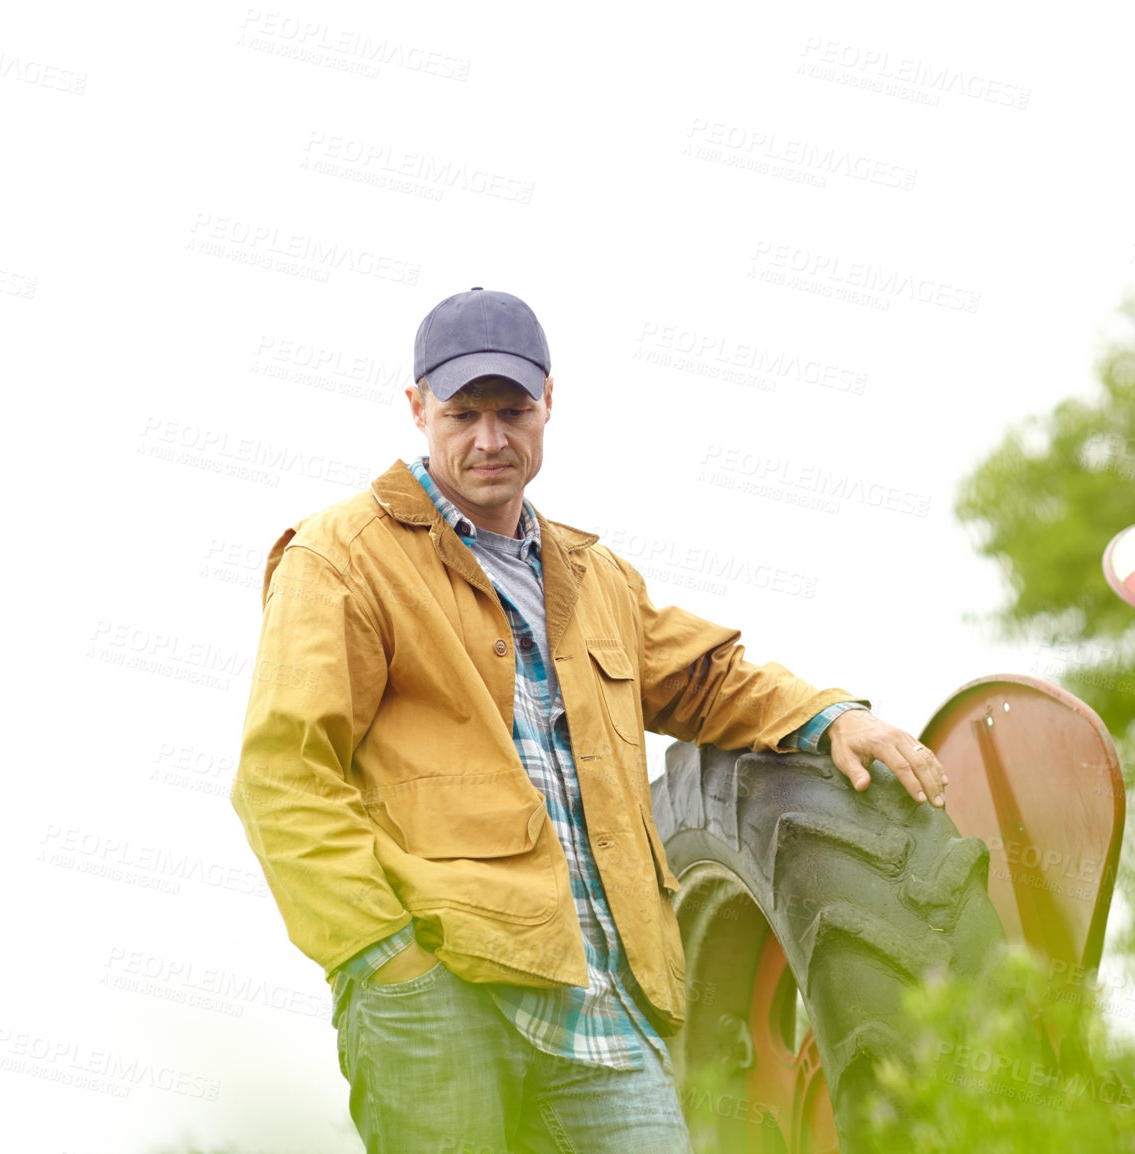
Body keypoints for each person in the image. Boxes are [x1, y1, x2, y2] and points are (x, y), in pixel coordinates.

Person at [231, 287, 950, 1153]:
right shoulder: (341, 556)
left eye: (511, 411)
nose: (489, 439)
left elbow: (708, 679)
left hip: (607, 1009)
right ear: (418, 408)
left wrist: (830, 716)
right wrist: (386, 961)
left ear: (548, 405)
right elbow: (282, 776)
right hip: (447, 998)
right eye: (463, 413)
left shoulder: (592, 574)